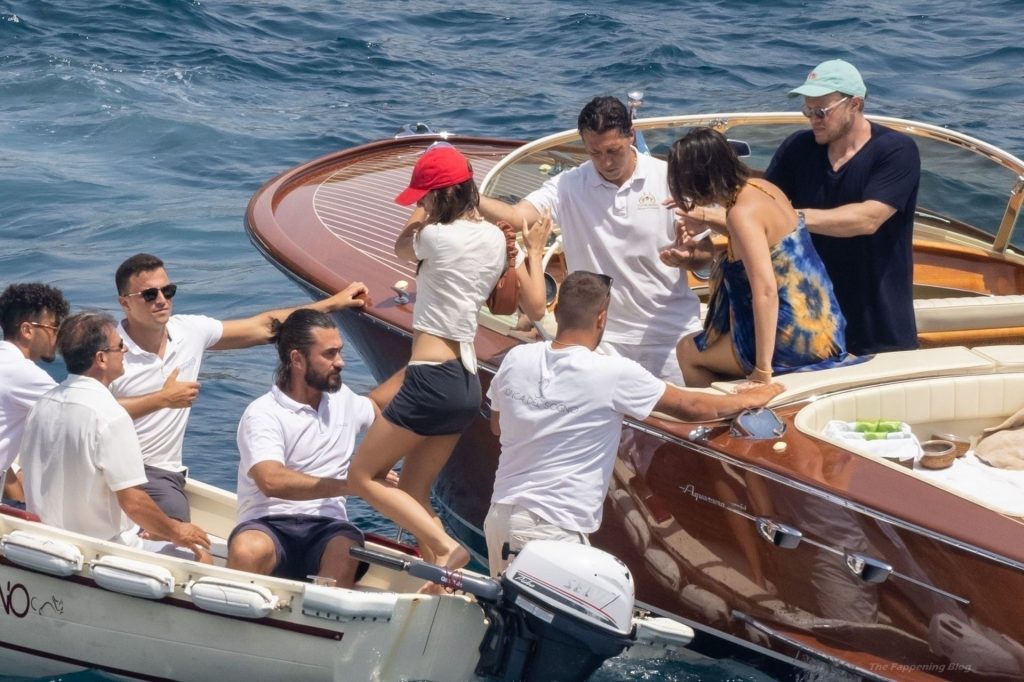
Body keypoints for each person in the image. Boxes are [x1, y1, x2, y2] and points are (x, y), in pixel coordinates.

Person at [483, 271, 783, 576]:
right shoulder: (613, 373)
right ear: (602, 317)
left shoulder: (518, 358)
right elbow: (691, 407)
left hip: (500, 518)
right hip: (553, 530)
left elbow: (498, 426)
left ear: (557, 311)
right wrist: (753, 396)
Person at [347, 144, 548, 582]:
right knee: (415, 492)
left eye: (425, 195)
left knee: (363, 476)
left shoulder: (435, 237)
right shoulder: (495, 238)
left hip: (430, 378)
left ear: (441, 195)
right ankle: (442, 584)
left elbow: (402, 247)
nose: (420, 202)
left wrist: (420, 213)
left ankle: (445, 547)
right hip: (464, 381)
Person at [109, 252, 370, 523]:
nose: (162, 300)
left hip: (160, 474)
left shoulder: (189, 332)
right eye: (149, 295)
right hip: (109, 466)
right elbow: (92, 414)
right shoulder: (108, 351)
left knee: (181, 539)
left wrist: (334, 303)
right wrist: (162, 399)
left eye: (168, 291)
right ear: (124, 303)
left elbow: (265, 327)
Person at [479, 96, 713, 384]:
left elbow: (705, 252)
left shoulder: (670, 179)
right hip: (600, 340)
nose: (606, 162)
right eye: (595, 153)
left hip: (671, 334)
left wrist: (689, 257)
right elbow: (518, 217)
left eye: (613, 150)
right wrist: (470, 197)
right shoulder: (568, 186)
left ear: (631, 135)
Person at [669, 128, 857, 388]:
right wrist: (705, 219)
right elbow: (756, 238)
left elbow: (766, 291)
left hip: (793, 337)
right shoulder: (763, 188)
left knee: (687, 351)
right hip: (825, 327)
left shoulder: (741, 213)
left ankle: (725, 412)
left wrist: (761, 370)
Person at [20, 312, 210, 559]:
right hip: (101, 549)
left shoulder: (40, 406)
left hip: (43, 542)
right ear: (101, 358)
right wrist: (177, 531)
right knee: (201, 556)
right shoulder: (110, 415)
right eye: (120, 346)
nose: (125, 351)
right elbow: (134, 502)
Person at [763, 59, 921, 355]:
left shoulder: (896, 151)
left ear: (854, 104)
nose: (813, 119)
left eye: (821, 112)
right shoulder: (797, 148)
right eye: (808, 111)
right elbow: (762, 203)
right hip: (809, 321)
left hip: (878, 324)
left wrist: (790, 217)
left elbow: (868, 219)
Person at [228, 309, 394, 587]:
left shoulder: (343, 399)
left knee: (346, 551)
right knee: (248, 550)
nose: (340, 362)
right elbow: (271, 480)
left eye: (339, 352)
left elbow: (376, 405)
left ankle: (324, 612)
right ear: (297, 359)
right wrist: (355, 484)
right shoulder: (263, 413)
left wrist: (426, 361)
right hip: (268, 524)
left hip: (328, 527)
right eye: (329, 354)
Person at [0, 283, 70, 504]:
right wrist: (160, 399)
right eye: (54, 328)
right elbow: (84, 412)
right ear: (27, 330)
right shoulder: (21, 372)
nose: (57, 337)